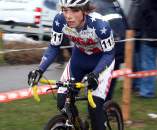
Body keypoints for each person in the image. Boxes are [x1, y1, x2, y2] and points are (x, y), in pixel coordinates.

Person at [28, 0, 115, 129]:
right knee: (62, 102)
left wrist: (95, 74)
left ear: (84, 10)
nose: (69, 15)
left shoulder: (100, 25)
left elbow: (109, 54)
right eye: (65, 10)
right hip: (79, 59)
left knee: (94, 108)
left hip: (101, 61)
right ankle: (78, 125)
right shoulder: (59, 20)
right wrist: (39, 70)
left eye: (75, 10)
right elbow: (53, 47)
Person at [92, 0, 128, 100]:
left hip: (112, 52)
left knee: (106, 85)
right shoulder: (113, 5)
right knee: (104, 85)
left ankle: (103, 109)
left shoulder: (114, 4)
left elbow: (126, 25)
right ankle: (100, 109)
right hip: (110, 52)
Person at [128, 0, 157, 98]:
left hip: (149, 34)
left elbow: (140, 14)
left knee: (147, 64)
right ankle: (145, 89)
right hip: (154, 33)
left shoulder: (145, 2)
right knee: (150, 62)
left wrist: (134, 28)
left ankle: (147, 92)